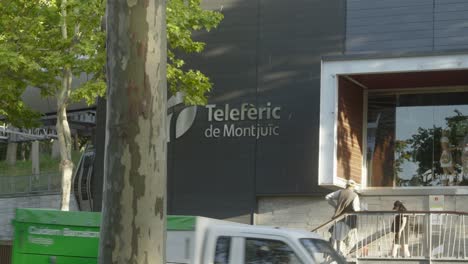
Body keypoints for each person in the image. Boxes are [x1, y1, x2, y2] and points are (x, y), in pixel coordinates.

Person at [325, 179, 360, 256]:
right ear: (353, 187)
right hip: (348, 219)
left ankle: (337, 252)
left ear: (346, 185)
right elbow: (356, 209)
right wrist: (363, 210)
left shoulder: (340, 192)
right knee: (349, 238)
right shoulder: (355, 195)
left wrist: (335, 206)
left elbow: (327, 197)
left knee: (336, 236)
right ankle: (343, 254)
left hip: (338, 217)